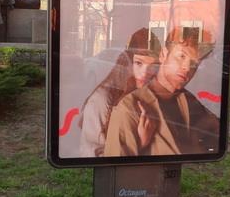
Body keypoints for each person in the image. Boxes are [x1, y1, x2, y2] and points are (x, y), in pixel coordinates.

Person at [104, 27, 219, 157]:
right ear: (163, 55)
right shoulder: (129, 108)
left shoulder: (189, 101)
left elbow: (217, 136)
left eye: (194, 62)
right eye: (181, 56)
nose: (187, 68)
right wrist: (140, 146)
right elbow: (116, 163)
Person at [78, 28, 160, 157]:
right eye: (139, 63)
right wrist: (140, 144)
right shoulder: (102, 99)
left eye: (153, 66)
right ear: (127, 62)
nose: (145, 73)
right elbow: (92, 156)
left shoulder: (150, 94)